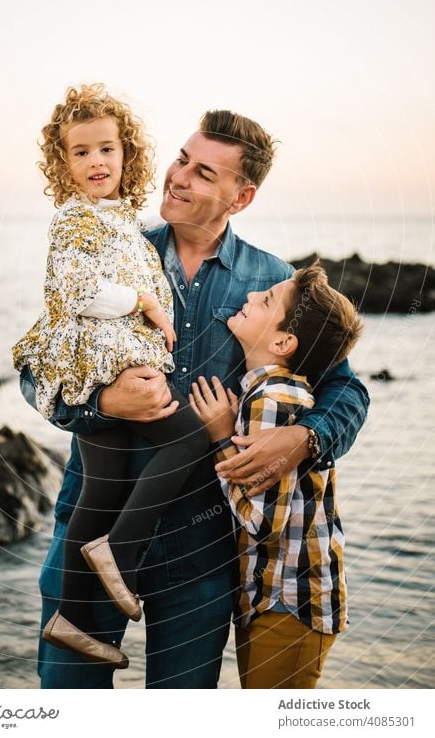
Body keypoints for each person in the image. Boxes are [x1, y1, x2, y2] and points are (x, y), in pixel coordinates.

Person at [33, 107, 370, 689]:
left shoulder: (272, 284)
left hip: (202, 550)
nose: (178, 177)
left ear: (241, 198)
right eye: (182, 159)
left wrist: (305, 437)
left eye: (204, 174)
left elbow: (347, 389)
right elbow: (40, 364)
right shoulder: (109, 252)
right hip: (90, 529)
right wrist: (101, 403)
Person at [13, 84, 210, 668]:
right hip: (96, 365)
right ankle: (119, 553)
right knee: (190, 438)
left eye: (106, 149)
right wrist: (146, 301)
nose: (96, 162)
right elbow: (73, 291)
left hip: (106, 360)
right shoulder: (77, 219)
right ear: (62, 163)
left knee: (98, 493)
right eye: (80, 153)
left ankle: (69, 619)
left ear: (127, 155)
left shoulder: (120, 219)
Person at [189, 261, 363, 688]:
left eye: (265, 300)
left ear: (284, 341)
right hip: (274, 595)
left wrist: (220, 438)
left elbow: (263, 522)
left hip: (289, 600)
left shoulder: (274, 398)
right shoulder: (269, 389)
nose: (249, 297)